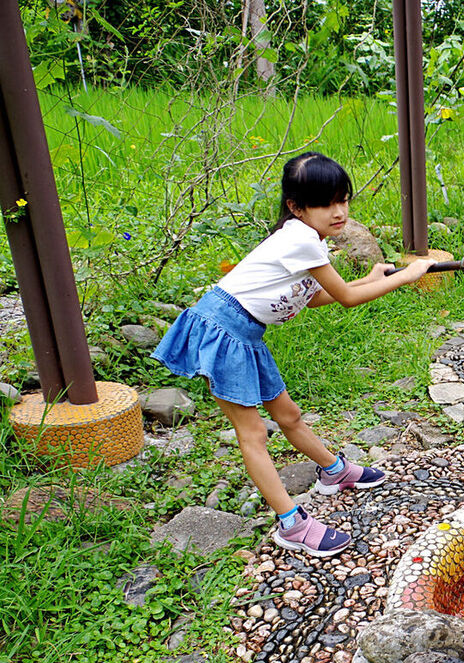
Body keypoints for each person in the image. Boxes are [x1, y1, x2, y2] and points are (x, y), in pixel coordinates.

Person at [152, 152, 434, 557]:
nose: (338, 212)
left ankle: (334, 472)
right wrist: (407, 276)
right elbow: (349, 300)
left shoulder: (304, 238)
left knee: (288, 416)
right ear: (296, 207)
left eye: (343, 199)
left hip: (245, 334)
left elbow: (314, 296)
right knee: (252, 434)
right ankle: (291, 524)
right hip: (223, 332)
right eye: (324, 203)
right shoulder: (300, 239)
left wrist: (368, 278)